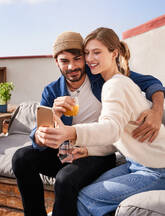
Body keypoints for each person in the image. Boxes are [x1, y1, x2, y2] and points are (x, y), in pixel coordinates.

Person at [12, 31, 165, 216]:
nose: (72, 66)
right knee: (20, 158)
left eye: (77, 59)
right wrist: (42, 132)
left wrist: (157, 111)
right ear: (56, 62)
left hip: (98, 151)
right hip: (69, 149)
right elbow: (40, 133)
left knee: (65, 180)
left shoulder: (103, 76)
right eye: (64, 61)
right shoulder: (52, 91)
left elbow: (151, 82)